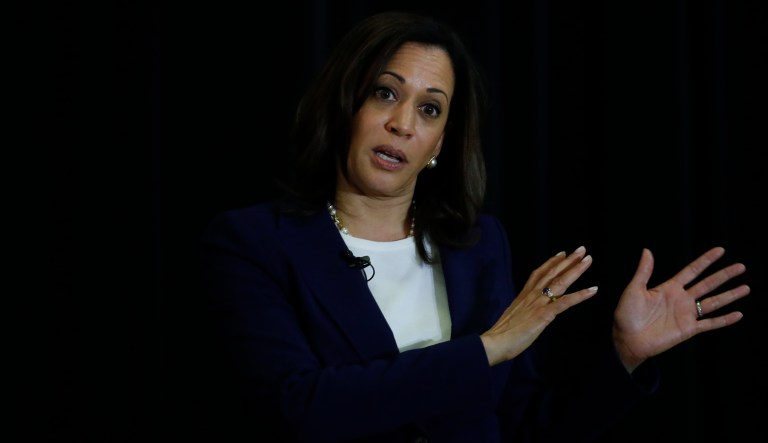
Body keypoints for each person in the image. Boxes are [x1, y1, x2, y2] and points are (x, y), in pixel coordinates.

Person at [199, 10, 750, 442]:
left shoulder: (478, 247)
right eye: (385, 93)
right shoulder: (254, 243)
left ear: (440, 142)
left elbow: (522, 427)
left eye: (430, 109)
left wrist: (625, 355)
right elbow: (299, 408)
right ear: (346, 104)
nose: (402, 123)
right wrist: (486, 348)